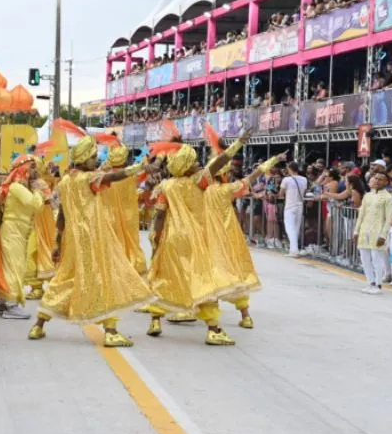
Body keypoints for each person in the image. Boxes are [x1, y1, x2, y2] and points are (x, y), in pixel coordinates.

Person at [28, 135, 154, 348]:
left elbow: (63, 216)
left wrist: (58, 242)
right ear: (84, 157)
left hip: (74, 243)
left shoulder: (66, 182)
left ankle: (38, 324)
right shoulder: (88, 179)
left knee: (65, 280)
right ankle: (111, 331)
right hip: (94, 240)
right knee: (104, 278)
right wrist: (137, 168)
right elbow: (111, 178)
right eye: (93, 157)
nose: (96, 160)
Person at [145, 128, 248, 346]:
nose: (197, 164)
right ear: (187, 165)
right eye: (193, 161)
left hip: (172, 239)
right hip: (195, 240)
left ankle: (155, 320)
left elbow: (160, 214)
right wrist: (237, 144)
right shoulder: (198, 181)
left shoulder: (166, 185)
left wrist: (156, 237)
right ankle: (213, 329)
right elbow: (219, 163)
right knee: (204, 281)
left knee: (165, 278)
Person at [203, 126, 286, 329]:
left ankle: (209, 318)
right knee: (235, 272)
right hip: (229, 235)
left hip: (208, 236)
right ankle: (245, 316)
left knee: (208, 274)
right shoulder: (229, 189)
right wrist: (273, 160)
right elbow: (254, 176)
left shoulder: (201, 188)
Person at [0, 155, 46, 319]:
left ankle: (3, 303)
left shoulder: (19, 187)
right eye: (31, 167)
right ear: (23, 169)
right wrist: (39, 191)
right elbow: (35, 204)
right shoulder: (17, 187)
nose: (34, 171)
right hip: (13, 230)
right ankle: (11, 305)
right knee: (14, 266)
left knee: (11, 266)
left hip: (17, 231)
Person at [99, 144, 147, 276]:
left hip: (109, 215)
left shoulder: (102, 176)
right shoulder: (130, 176)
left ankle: (113, 267)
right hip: (128, 215)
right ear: (124, 159)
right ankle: (129, 265)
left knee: (112, 242)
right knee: (129, 241)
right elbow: (141, 181)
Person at [354, 172, 392, 295]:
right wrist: (356, 231)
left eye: (381, 179)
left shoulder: (388, 197)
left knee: (376, 259)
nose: (377, 181)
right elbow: (361, 214)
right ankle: (369, 283)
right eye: (375, 178)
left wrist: (383, 235)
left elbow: (388, 218)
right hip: (364, 231)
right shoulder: (368, 196)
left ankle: (378, 284)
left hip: (377, 232)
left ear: (386, 182)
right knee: (365, 259)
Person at [24, 156, 57, 300]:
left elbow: (46, 204)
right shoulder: (27, 183)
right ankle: (36, 287)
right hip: (31, 223)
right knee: (31, 253)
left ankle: (54, 286)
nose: (27, 170)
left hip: (42, 223)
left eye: (31, 167)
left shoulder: (40, 183)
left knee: (42, 252)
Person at [280, 162, 308, 257]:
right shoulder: (304, 179)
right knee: (295, 228)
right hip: (299, 205)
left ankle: (294, 250)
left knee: (289, 227)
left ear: (290, 168)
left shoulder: (286, 179)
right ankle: (293, 250)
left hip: (290, 206)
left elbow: (281, 193)